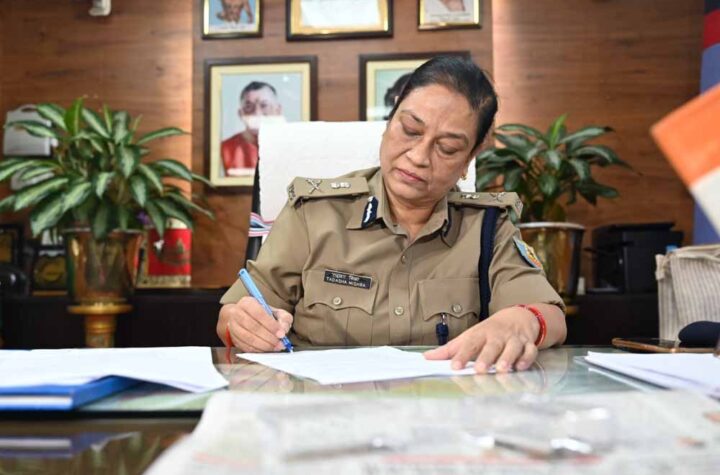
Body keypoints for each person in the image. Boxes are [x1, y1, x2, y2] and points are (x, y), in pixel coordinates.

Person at [217, 56, 566, 373]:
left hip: (443, 414)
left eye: (447, 148)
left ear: (468, 160)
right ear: (389, 121)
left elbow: (550, 315)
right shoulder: (314, 214)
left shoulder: (487, 227)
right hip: (326, 409)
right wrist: (242, 324)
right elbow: (233, 314)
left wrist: (522, 322)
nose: (418, 156)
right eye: (410, 130)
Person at [221, 81, 283, 176]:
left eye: (264, 105)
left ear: (278, 110)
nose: (257, 113)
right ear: (240, 113)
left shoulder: (291, 148)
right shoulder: (225, 149)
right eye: (249, 106)